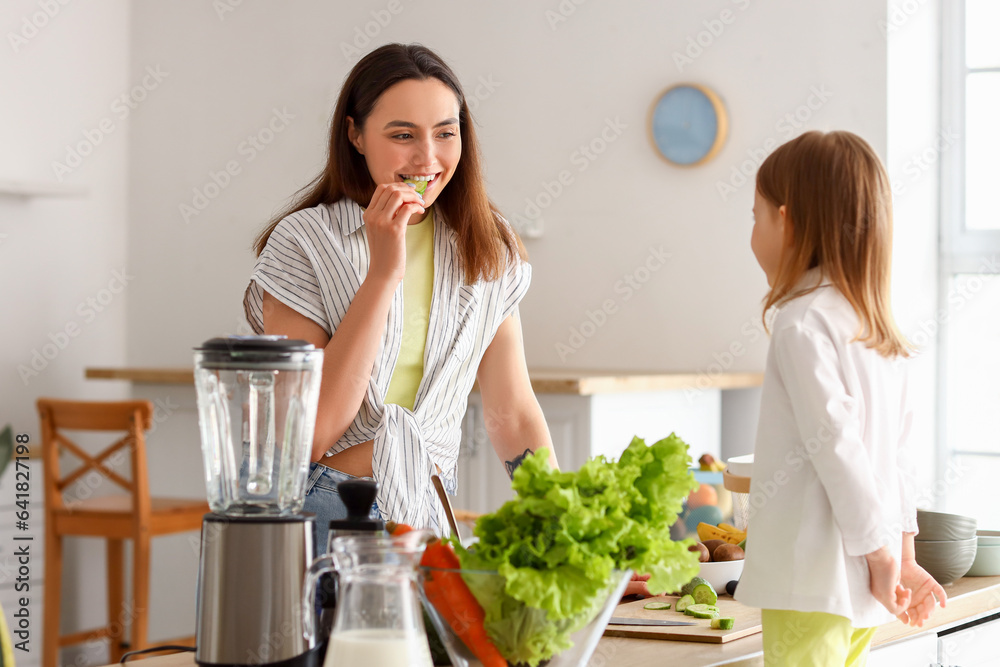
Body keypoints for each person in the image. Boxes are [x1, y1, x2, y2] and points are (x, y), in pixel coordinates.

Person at [243, 43, 557, 548]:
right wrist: (383, 274)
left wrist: (562, 525)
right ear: (356, 135)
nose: (427, 158)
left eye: (445, 133)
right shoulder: (304, 241)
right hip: (325, 512)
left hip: (428, 516)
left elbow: (514, 411)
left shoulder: (486, 243)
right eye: (402, 135)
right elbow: (312, 433)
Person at [734, 131, 946, 665]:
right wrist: (900, 554)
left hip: (810, 575)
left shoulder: (801, 322)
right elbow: (896, 460)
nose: (752, 233)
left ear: (788, 220)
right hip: (859, 583)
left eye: (755, 215)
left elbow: (836, 448)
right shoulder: (875, 328)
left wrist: (882, 556)